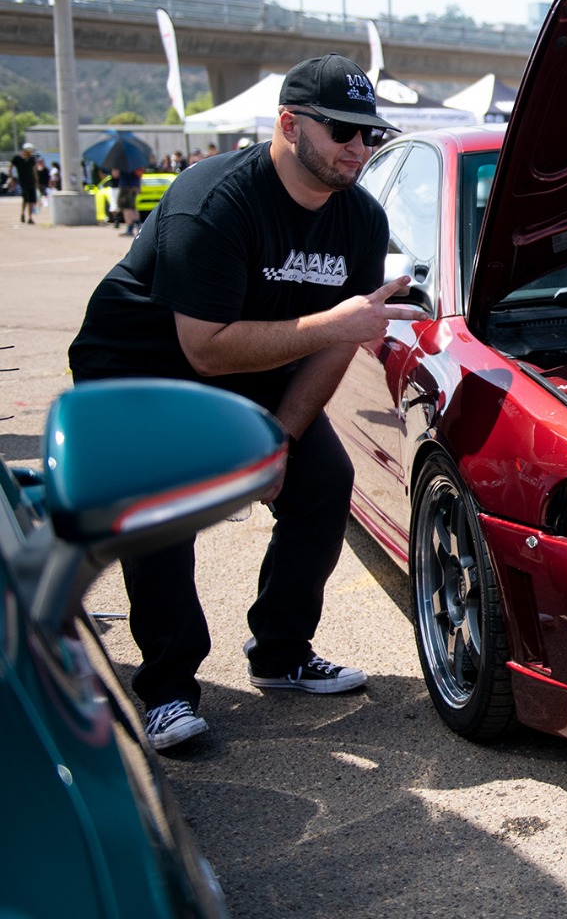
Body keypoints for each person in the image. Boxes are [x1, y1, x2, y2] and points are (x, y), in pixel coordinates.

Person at [68, 54, 421, 751]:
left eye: (371, 133)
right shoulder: (215, 200)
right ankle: (167, 688)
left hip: (257, 356)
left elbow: (334, 344)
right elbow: (205, 349)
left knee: (323, 482)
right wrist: (336, 324)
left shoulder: (360, 220)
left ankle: (281, 653)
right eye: (342, 130)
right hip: (144, 365)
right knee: (162, 503)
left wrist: (280, 441)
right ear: (289, 125)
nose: (359, 147)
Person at [11, 141, 39, 223]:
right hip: (23, 182)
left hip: (31, 182)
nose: (30, 153)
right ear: (25, 150)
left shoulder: (32, 159)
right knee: (25, 199)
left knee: (31, 200)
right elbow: (10, 167)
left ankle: (30, 217)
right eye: (29, 151)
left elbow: (34, 171)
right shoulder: (17, 158)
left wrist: (36, 181)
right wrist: (11, 178)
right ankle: (22, 214)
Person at [117, 163, 143, 236]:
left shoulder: (121, 161)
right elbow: (139, 174)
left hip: (126, 186)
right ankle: (138, 225)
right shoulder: (135, 161)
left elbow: (115, 174)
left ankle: (129, 228)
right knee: (133, 207)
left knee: (126, 207)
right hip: (135, 185)